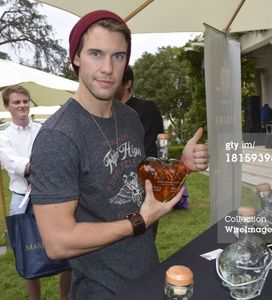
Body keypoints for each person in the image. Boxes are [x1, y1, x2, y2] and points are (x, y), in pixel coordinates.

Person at [29, 10, 209, 300]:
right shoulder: (58, 136)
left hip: (148, 272)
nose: (108, 68)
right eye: (96, 54)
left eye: (118, 56)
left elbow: (139, 185)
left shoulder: (129, 118)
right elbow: (58, 242)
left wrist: (183, 166)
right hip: (101, 289)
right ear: (76, 57)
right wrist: (139, 221)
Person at [0, 85, 71, 300]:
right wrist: (40, 166)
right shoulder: (3, 138)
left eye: (25, 101)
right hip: (21, 200)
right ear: (6, 106)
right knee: (26, 253)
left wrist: (42, 167)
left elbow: (58, 158)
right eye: (16, 102)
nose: (22, 105)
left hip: (51, 197)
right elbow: (15, 164)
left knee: (67, 247)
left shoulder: (44, 129)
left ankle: (64, 296)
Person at [115, 65, 164, 157]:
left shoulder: (146, 109)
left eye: (114, 80)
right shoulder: (105, 113)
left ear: (127, 84)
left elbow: (151, 153)